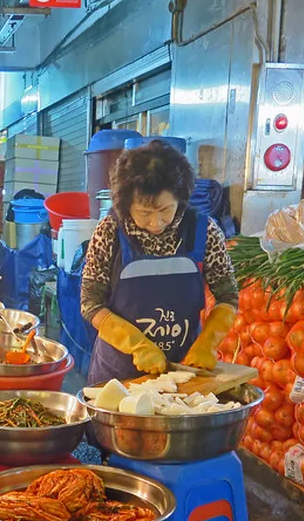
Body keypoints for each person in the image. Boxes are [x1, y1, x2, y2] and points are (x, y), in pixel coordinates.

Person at [81, 140, 239, 384]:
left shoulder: (204, 231)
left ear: (180, 198)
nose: (156, 222)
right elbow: (90, 304)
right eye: (145, 213)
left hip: (184, 371)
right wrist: (137, 345)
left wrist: (208, 343)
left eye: (165, 209)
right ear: (127, 204)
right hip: (118, 375)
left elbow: (228, 296)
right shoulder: (109, 232)